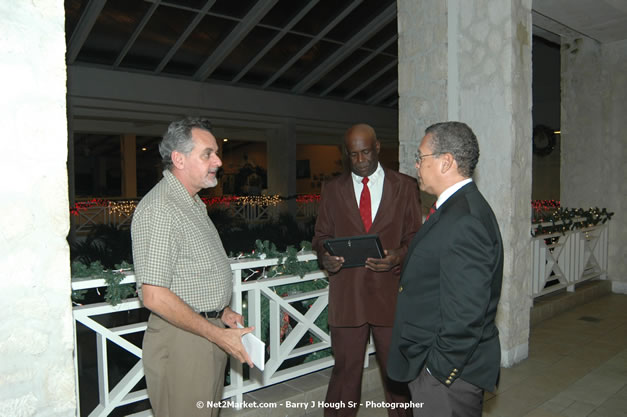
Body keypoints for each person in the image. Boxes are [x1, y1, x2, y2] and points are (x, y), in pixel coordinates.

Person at [131, 117, 254, 417]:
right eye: (208, 153)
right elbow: (154, 296)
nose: (219, 161)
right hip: (183, 342)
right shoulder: (162, 209)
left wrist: (220, 312)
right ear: (179, 159)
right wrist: (214, 333)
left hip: (204, 333)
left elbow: (187, 275)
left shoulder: (191, 203)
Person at [387, 121, 504, 417]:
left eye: (420, 157)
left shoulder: (465, 219)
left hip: (448, 378)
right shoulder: (456, 208)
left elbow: (467, 314)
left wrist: (438, 372)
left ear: (446, 161)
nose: (416, 166)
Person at [312, 123, 423, 417]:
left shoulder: (405, 186)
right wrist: (326, 257)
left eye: (365, 153)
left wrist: (398, 256)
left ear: (377, 148)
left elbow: (416, 239)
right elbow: (320, 237)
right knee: (345, 374)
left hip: (390, 296)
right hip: (348, 297)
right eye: (353, 155)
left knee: (396, 375)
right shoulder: (332, 189)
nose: (360, 161)